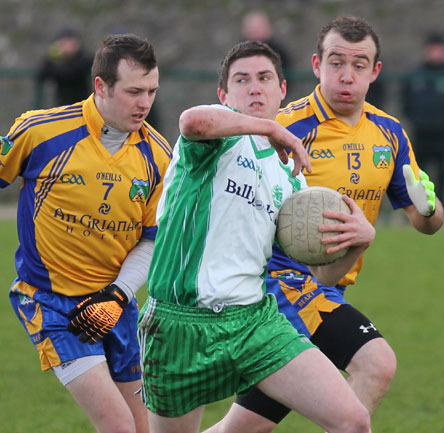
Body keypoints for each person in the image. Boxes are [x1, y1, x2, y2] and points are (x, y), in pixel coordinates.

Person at [204, 16, 444, 433]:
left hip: (331, 285)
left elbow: (428, 225)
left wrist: (429, 208)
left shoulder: (389, 133)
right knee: (376, 364)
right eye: (336, 63)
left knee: (242, 428)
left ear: (376, 72)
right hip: (281, 284)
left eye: (358, 65)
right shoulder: (285, 127)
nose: (346, 76)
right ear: (317, 65)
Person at [137, 40, 376, 433]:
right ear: (223, 95)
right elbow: (191, 122)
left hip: (254, 321)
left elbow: (324, 278)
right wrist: (269, 127)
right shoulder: (214, 135)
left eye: (264, 79)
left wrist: (357, 243)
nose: (254, 88)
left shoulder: (291, 176)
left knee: (353, 421)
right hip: (179, 325)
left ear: (282, 90)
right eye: (241, 80)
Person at [1, 33, 171, 433]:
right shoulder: (41, 132)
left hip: (115, 306)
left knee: (141, 428)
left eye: (152, 91)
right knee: (118, 426)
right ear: (101, 86)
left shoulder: (159, 157)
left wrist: (117, 295)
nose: (145, 103)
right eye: (134, 91)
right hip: (53, 304)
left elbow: (152, 239)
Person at [401, 31, 444, 207]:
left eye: (439, 49)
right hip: (420, 132)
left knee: (443, 173)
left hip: (443, 133)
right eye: (432, 49)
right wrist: (415, 119)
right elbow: (405, 100)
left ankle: (441, 208)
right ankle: (419, 207)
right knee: (419, 172)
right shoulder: (415, 73)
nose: (435, 53)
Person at [36, 27, 93, 106]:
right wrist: (52, 56)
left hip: (82, 105)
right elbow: (41, 74)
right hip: (61, 105)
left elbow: (70, 73)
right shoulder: (57, 60)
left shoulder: (85, 58)